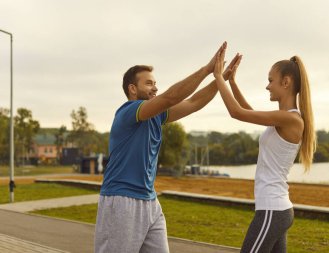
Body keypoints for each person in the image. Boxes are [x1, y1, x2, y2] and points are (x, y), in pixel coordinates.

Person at [95, 42, 240, 253]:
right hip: (121, 201)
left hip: (149, 201)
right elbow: (171, 97)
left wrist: (221, 78)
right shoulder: (128, 111)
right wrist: (206, 70)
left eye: (156, 83)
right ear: (132, 89)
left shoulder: (157, 115)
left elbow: (193, 102)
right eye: (149, 83)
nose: (155, 87)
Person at [213, 44, 316, 253]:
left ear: (285, 82)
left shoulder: (289, 118)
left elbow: (235, 112)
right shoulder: (283, 119)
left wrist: (217, 76)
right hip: (276, 210)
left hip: (272, 210)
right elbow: (246, 112)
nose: (267, 86)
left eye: (270, 80)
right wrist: (232, 82)